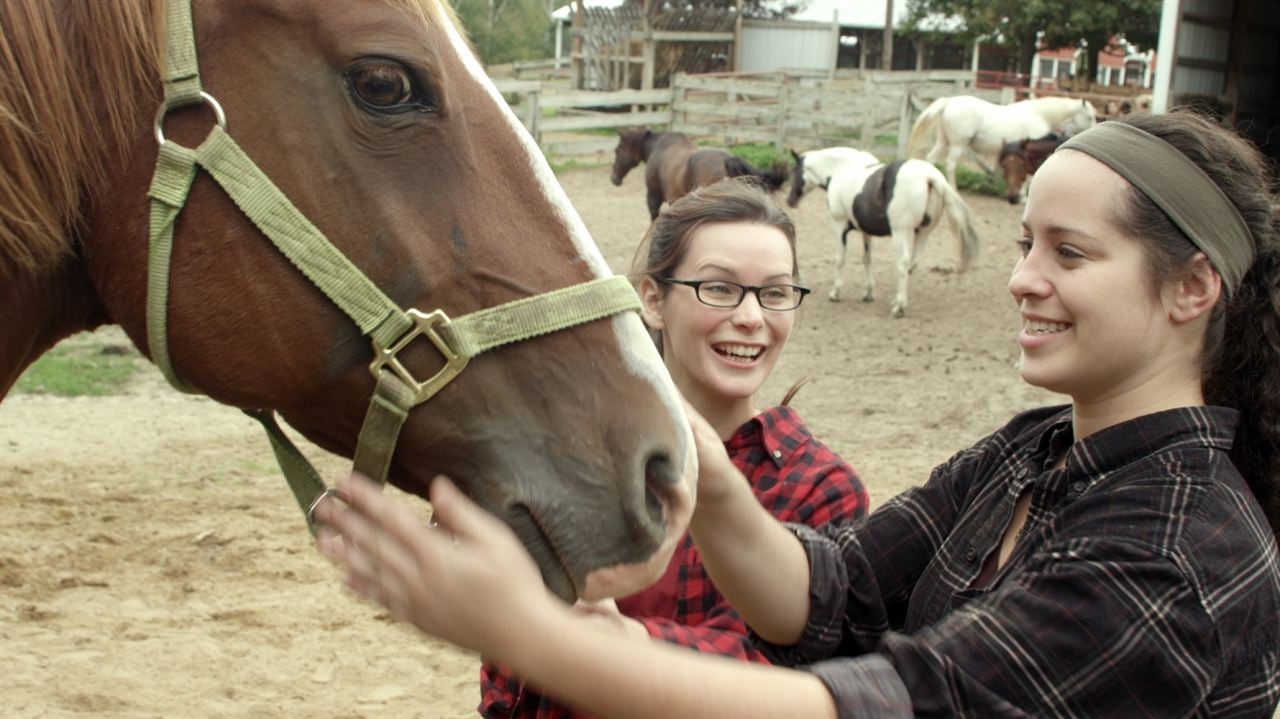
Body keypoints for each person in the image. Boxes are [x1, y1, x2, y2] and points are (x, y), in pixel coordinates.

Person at [315, 110, 1280, 717]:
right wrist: (714, 476)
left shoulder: (1182, 554)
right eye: (1026, 243)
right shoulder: (1032, 453)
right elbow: (845, 590)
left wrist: (534, 633)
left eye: (1069, 254)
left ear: (1191, 286)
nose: (1021, 279)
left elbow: (894, 701)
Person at [480, 177, 870, 717]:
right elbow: (506, 670)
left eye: (775, 292)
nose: (752, 318)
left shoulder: (821, 488)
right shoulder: (571, 454)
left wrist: (628, 644)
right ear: (653, 301)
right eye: (720, 288)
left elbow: (794, 679)